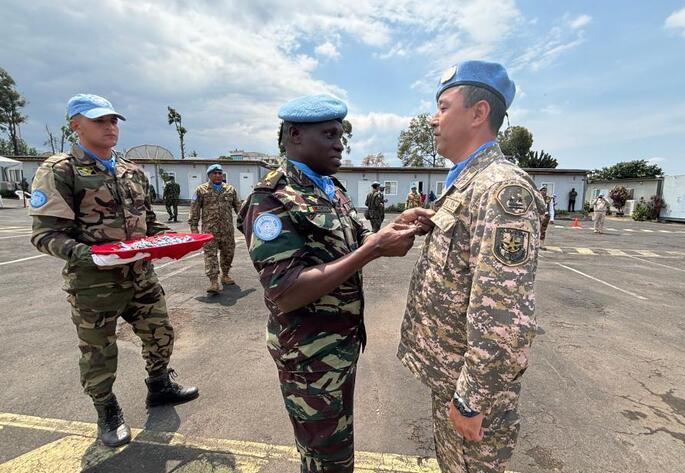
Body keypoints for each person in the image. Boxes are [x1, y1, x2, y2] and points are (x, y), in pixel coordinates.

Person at [239, 94, 433, 473]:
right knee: (328, 458)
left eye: (340, 134)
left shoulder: (331, 188)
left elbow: (359, 237)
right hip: (308, 355)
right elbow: (287, 291)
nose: (339, 143)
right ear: (295, 134)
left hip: (338, 346)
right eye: (329, 134)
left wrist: (393, 227)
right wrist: (374, 249)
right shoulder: (270, 199)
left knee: (332, 450)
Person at [397, 60, 545, 473]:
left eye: (443, 107)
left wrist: (472, 398)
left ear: (478, 113)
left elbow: (504, 311)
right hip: (451, 375)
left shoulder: (501, 189)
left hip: (471, 387)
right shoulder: (467, 181)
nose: (433, 118)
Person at [29, 94, 198, 447]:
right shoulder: (61, 170)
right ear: (75, 124)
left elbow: (148, 224)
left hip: (140, 276)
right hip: (94, 284)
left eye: (114, 121)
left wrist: (170, 240)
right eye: (100, 121)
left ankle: (159, 386)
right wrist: (90, 255)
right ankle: (107, 411)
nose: (111, 127)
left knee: (160, 333)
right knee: (99, 351)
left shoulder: (131, 170)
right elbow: (45, 235)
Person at [189, 164, 241, 294]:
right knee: (210, 255)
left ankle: (225, 275)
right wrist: (194, 229)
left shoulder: (230, 189)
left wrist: (246, 221)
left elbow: (239, 208)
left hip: (227, 230)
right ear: (209, 175)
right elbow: (194, 210)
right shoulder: (201, 190)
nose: (218, 175)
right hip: (209, 231)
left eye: (220, 173)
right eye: (214, 173)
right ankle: (213, 282)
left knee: (228, 253)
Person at [539, 185, 552, 249]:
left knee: (543, 230)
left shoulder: (548, 198)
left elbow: (551, 208)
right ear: (540, 191)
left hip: (546, 215)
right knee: (535, 230)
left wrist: (552, 218)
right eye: (543, 190)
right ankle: (535, 243)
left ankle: (541, 244)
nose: (544, 192)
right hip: (537, 215)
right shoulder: (537, 198)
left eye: (545, 190)